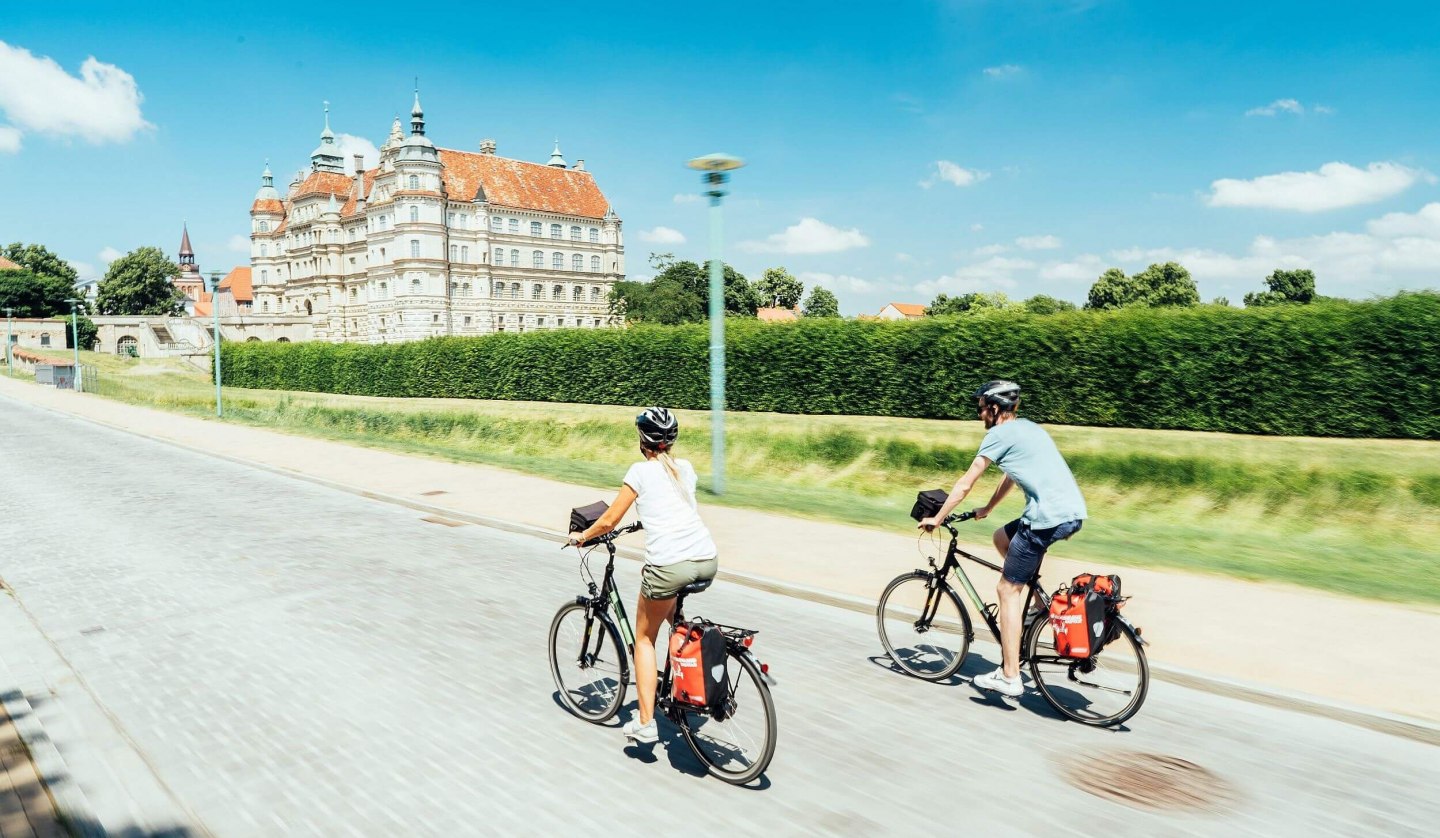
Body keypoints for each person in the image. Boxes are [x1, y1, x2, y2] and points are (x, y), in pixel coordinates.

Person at [918, 380, 1087, 699]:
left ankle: (1010, 675)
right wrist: (989, 508)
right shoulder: (1029, 429)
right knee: (1001, 538)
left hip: (1045, 519)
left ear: (994, 409)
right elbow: (1012, 472)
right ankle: (1038, 609)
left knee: (1007, 589)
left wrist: (936, 519)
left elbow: (965, 483)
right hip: (1072, 514)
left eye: (981, 407)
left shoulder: (997, 435)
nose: (979, 413)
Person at [569, 407, 719, 744]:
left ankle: (646, 722)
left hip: (670, 566)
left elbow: (608, 520)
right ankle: (685, 680)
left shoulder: (639, 472)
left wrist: (583, 536)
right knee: (672, 621)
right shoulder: (686, 469)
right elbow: (674, 509)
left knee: (644, 640)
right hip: (706, 559)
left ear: (642, 441)